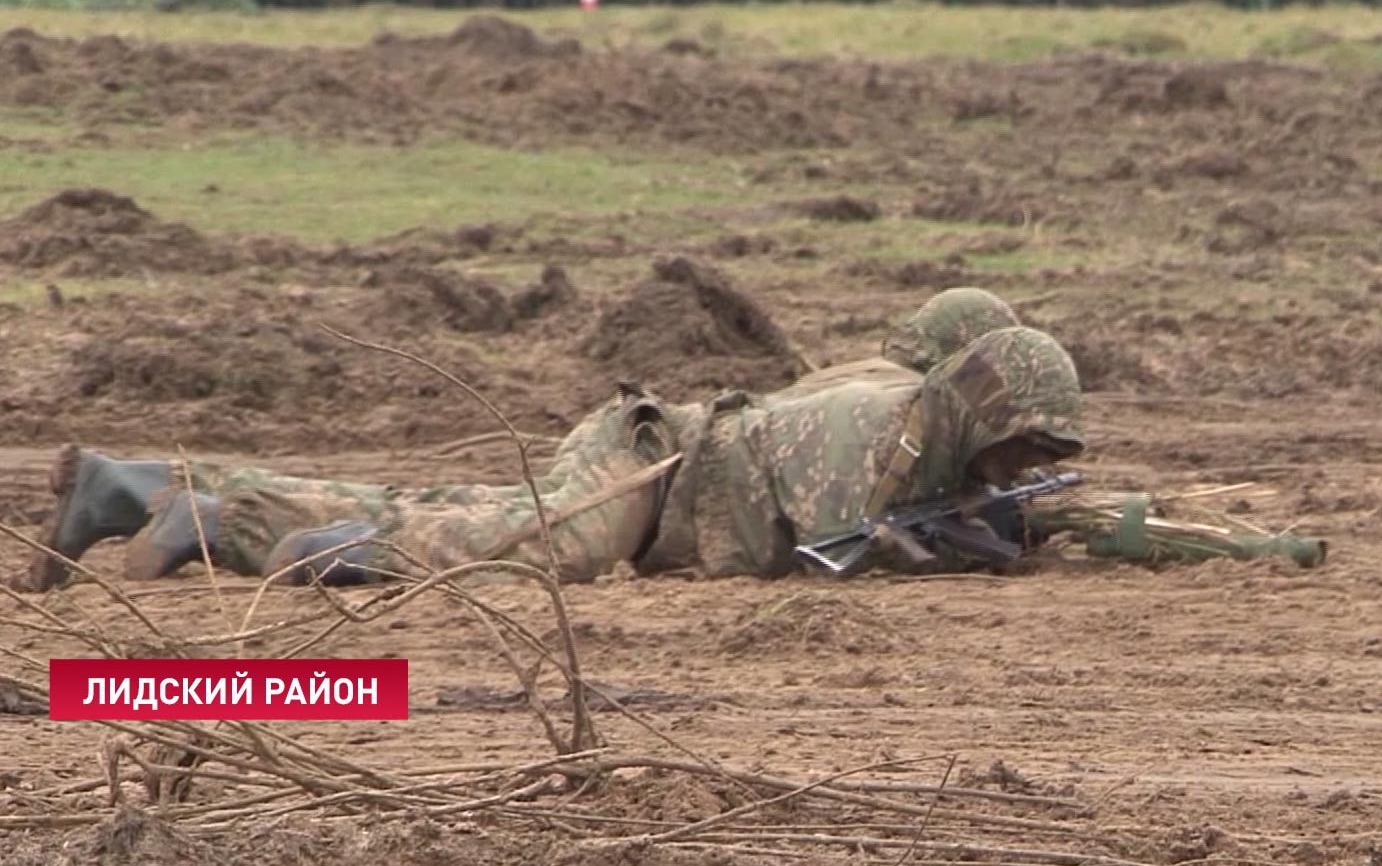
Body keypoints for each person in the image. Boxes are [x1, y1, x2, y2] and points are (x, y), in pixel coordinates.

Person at [20, 289, 1024, 591]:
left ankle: (144, 488)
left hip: (650, 458)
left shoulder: (870, 387)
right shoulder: (881, 415)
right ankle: (306, 550)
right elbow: (836, 535)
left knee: (440, 513)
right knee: (526, 551)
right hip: (649, 462)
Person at [228, 327, 1086, 586]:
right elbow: (839, 554)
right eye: (1021, 449)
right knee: (533, 549)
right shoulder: (874, 432)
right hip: (656, 465)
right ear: (983, 414)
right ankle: (327, 553)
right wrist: (972, 552)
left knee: (461, 508)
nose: (1017, 470)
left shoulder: (926, 442)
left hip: (665, 502)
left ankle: (192, 500)